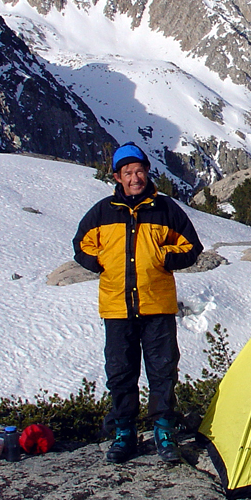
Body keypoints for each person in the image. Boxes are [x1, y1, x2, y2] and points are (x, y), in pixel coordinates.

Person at [73, 142, 203, 463]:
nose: (135, 178)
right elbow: (82, 245)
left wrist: (162, 256)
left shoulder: (166, 209)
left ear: (147, 172)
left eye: (140, 171)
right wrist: (102, 260)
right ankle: (124, 433)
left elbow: (191, 247)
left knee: (162, 370)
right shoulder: (103, 211)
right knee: (120, 372)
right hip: (117, 307)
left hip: (157, 306)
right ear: (117, 177)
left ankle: (163, 430)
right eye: (128, 172)